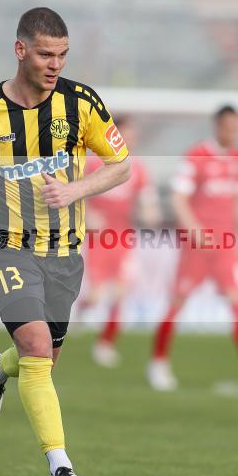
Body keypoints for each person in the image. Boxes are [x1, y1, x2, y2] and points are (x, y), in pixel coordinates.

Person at [0, 7, 131, 476]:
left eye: (63, 55)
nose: (55, 65)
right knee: (39, 352)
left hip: (64, 252)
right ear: (20, 49)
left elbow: (121, 164)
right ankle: (61, 467)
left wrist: (76, 190)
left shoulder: (82, 103)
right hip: (3, 248)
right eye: (46, 54)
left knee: (41, 358)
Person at [147, 105, 238, 391]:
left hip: (225, 245)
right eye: (229, 126)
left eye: (237, 127)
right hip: (196, 246)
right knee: (178, 300)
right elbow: (177, 197)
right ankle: (158, 362)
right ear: (218, 126)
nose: (233, 132)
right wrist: (194, 229)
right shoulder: (197, 156)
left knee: (237, 299)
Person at [82, 116, 160, 367]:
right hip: (97, 239)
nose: (129, 140)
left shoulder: (137, 169)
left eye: (132, 135)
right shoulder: (94, 165)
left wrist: (150, 212)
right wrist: (87, 214)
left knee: (120, 292)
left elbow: (147, 200)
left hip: (122, 238)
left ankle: (105, 343)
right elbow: (73, 194)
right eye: (125, 134)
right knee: (96, 295)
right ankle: (81, 310)